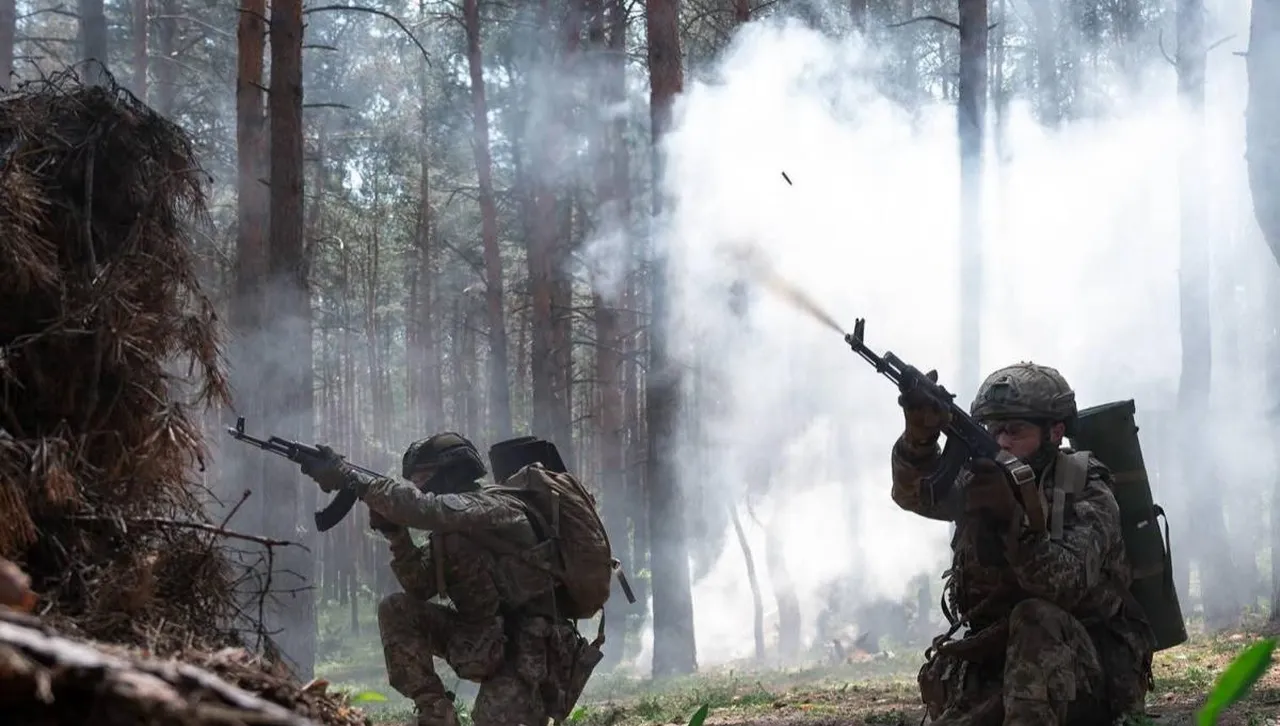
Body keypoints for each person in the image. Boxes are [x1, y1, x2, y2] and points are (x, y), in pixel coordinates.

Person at [891, 362, 1154, 726]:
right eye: (994, 430)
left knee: (1035, 617)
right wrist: (918, 439)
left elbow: (1063, 586)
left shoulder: (1085, 490)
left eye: (1015, 431)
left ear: (1055, 432)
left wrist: (1012, 521)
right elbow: (913, 493)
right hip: (1004, 668)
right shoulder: (979, 481)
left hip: (1085, 675)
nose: (1001, 442)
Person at [301, 432, 577, 726]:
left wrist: (353, 479)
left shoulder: (493, 507)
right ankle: (436, 713)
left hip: (529, 648)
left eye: (424, 476)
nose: (419, 485)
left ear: (451, 470)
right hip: (481, 637)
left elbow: (425, 509)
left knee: (493, 721)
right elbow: (419, 585)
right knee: (397, 610)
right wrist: (397, 536)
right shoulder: (453, 531)